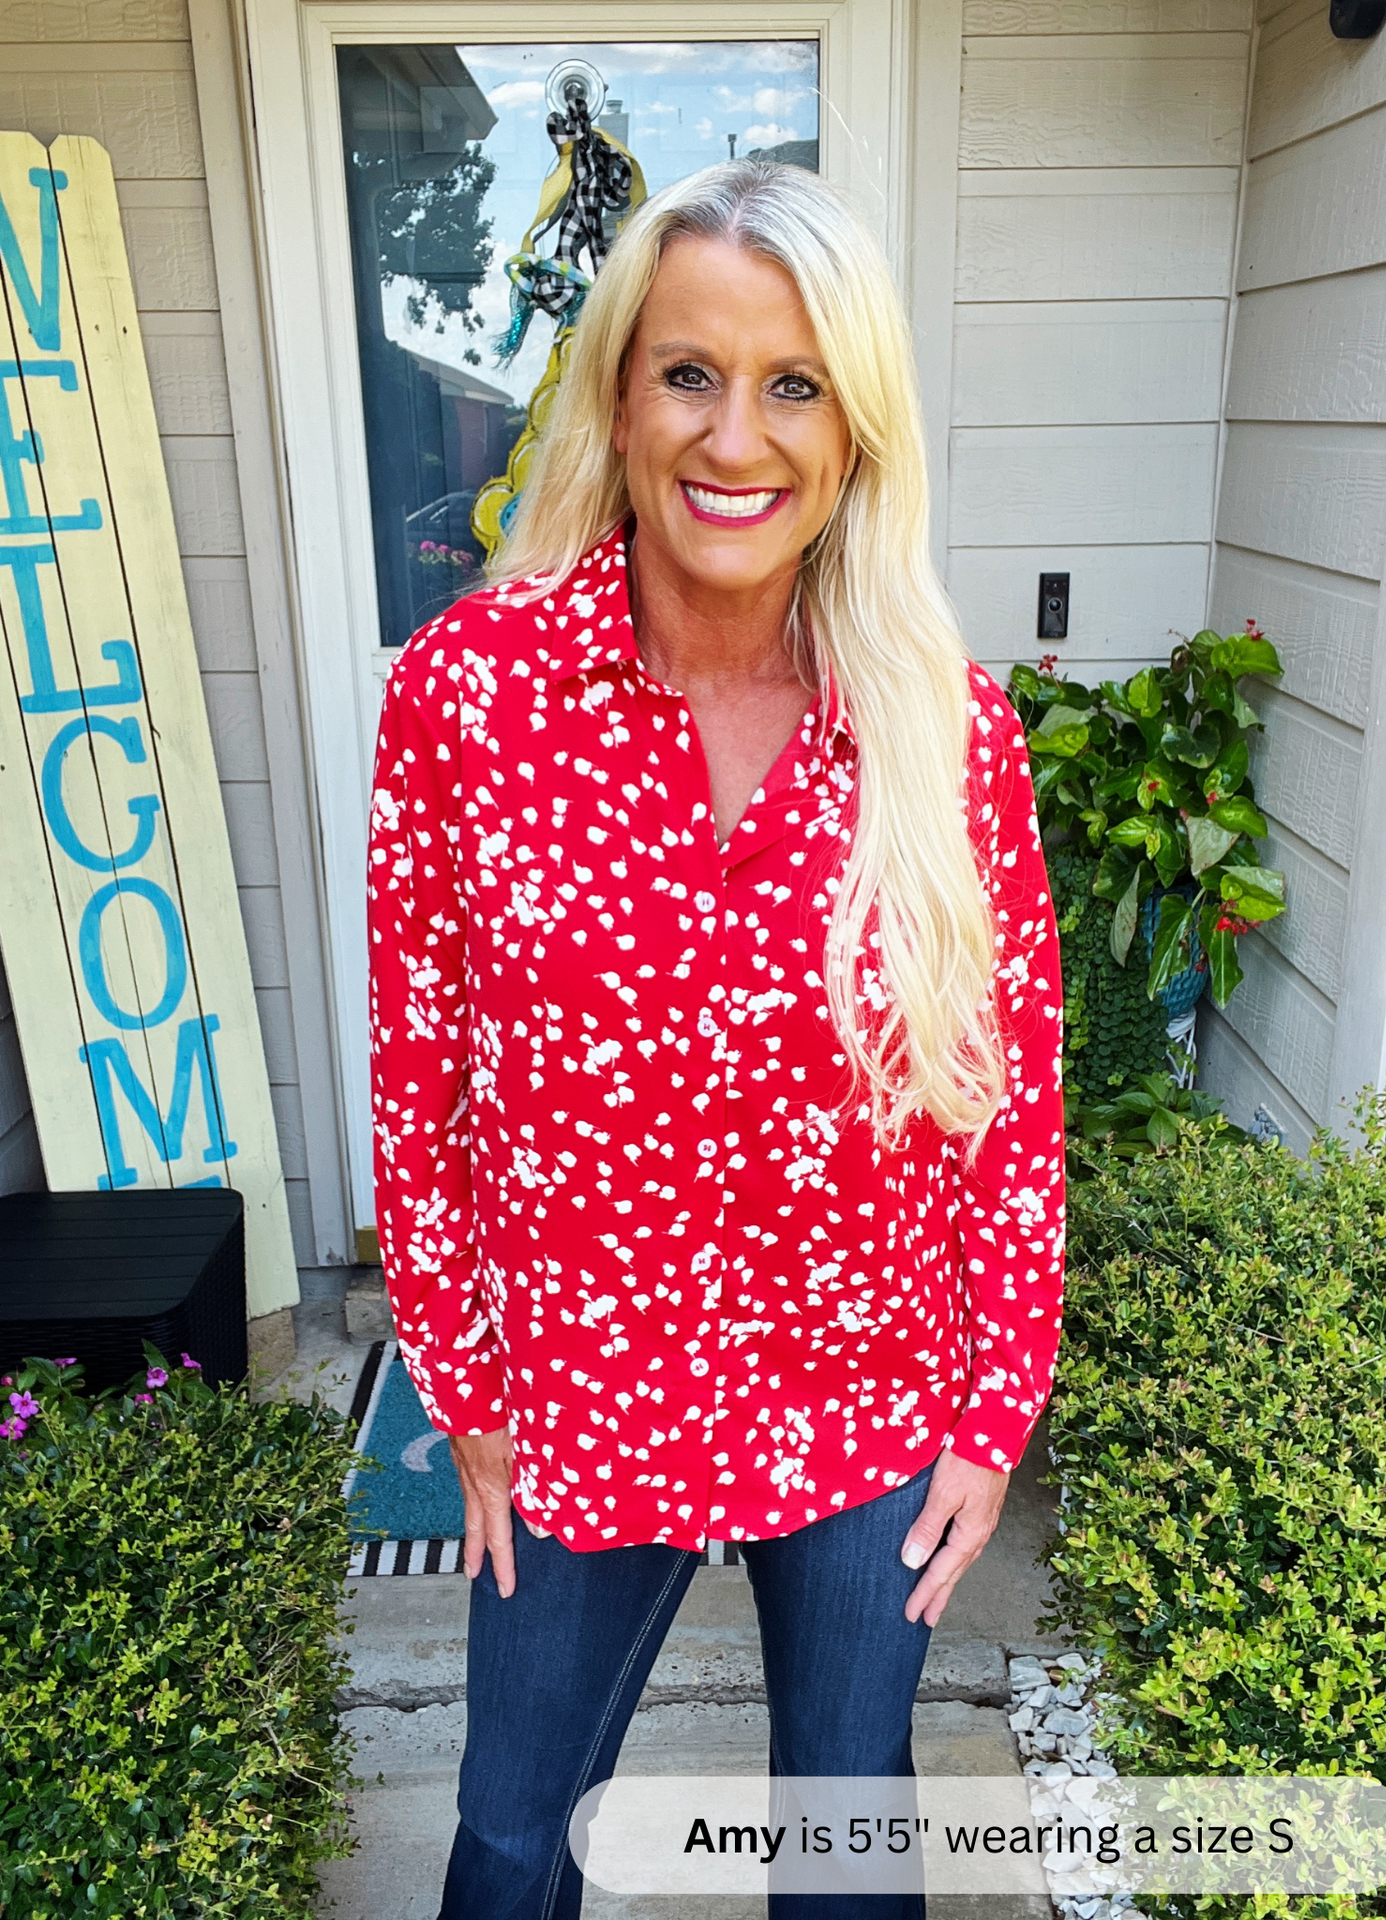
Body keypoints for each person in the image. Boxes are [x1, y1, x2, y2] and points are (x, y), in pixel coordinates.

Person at [367, 159, 1065, 1920]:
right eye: (690, 371)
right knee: (512, 1838)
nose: (734, 438)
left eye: (793, 383)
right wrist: (467, 1397)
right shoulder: (469, 697)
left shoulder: (945, 728)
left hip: (863, 1396)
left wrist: (990, 1414)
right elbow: (420, 1082)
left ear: (854, 428)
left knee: (845, 1856)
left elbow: (1009, 1096)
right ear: (619, 394)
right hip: (579, 1402)